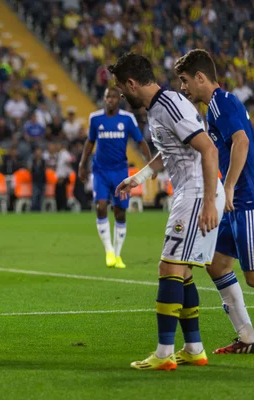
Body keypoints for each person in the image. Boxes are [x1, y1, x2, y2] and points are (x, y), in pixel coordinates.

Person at [112, 53, 224, 370]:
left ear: (132, 83)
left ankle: (163, 354)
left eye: (122, 89)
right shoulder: (159, 107)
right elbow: (169, 152)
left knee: (168, 268)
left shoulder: (171, 104)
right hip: (191, 192)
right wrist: (138, 177)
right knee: (183, 271)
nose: (122, 95)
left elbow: (208, 148)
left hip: (197, 193)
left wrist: (207, 203)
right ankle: (193, 349)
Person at [174, 49, 254, 354]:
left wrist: (230, 186)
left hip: (247, 200)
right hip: (236, 202)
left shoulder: (221, 102)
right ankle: (247, 336)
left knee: (252, 277)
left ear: (200, 77)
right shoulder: (215, 107)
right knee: (217, 264)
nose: (183, 88)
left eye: (184, 81)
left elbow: (242, 141)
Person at [78, 87, 153, 268]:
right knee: (100, 206)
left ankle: (118, 255)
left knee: (120, 212)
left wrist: (150, 163)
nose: (110, 100)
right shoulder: (95, 118)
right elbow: (90, 142)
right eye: (107, 97)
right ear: (104, 100)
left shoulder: (127, 119)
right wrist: (82, 164)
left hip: (120, 172)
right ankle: (109, 251)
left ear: (118, 100)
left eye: (113, 97)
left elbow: (140, 141)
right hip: (100, 171)